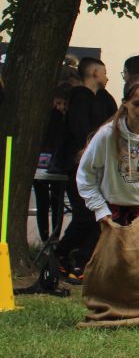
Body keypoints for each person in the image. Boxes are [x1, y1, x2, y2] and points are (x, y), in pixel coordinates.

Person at [76, 77, 139, 326]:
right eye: (137, 104)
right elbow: (86, 174)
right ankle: (110, 307)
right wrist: (99, 209)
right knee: (112, 264)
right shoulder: (106, 135)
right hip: (113, 209)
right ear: (125, 104)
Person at [53, 57, 118, 280]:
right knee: (84, 216)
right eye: (105, 71)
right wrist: (87, 150)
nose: (107, 76)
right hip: (80, 168)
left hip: (100, 168)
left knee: (99, 216)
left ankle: (82, 260)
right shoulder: (80, 99)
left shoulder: (103, 99)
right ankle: (60, 254)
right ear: (94, 73)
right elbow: (81, 132)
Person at [33, 83, 70, 242]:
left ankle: (52, 237)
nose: (60, 107)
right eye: (58, 103)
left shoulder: (63, 119)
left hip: (54, 164)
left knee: (56, 201)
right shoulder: (52, 118)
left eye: (63, 104)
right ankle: (47, 237)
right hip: (46, 163)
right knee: (46, 201)